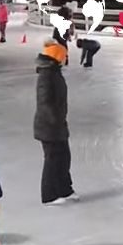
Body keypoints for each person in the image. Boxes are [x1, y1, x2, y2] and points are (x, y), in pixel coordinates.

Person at [34, 40, 78, 205]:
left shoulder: (53, 71)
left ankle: (65, 190)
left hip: (58, 124)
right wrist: (54, 121)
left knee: (64, 158)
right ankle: (50, 195)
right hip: (49, 126)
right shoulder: (46, 75)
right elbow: (44, 102)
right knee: (52, 159)